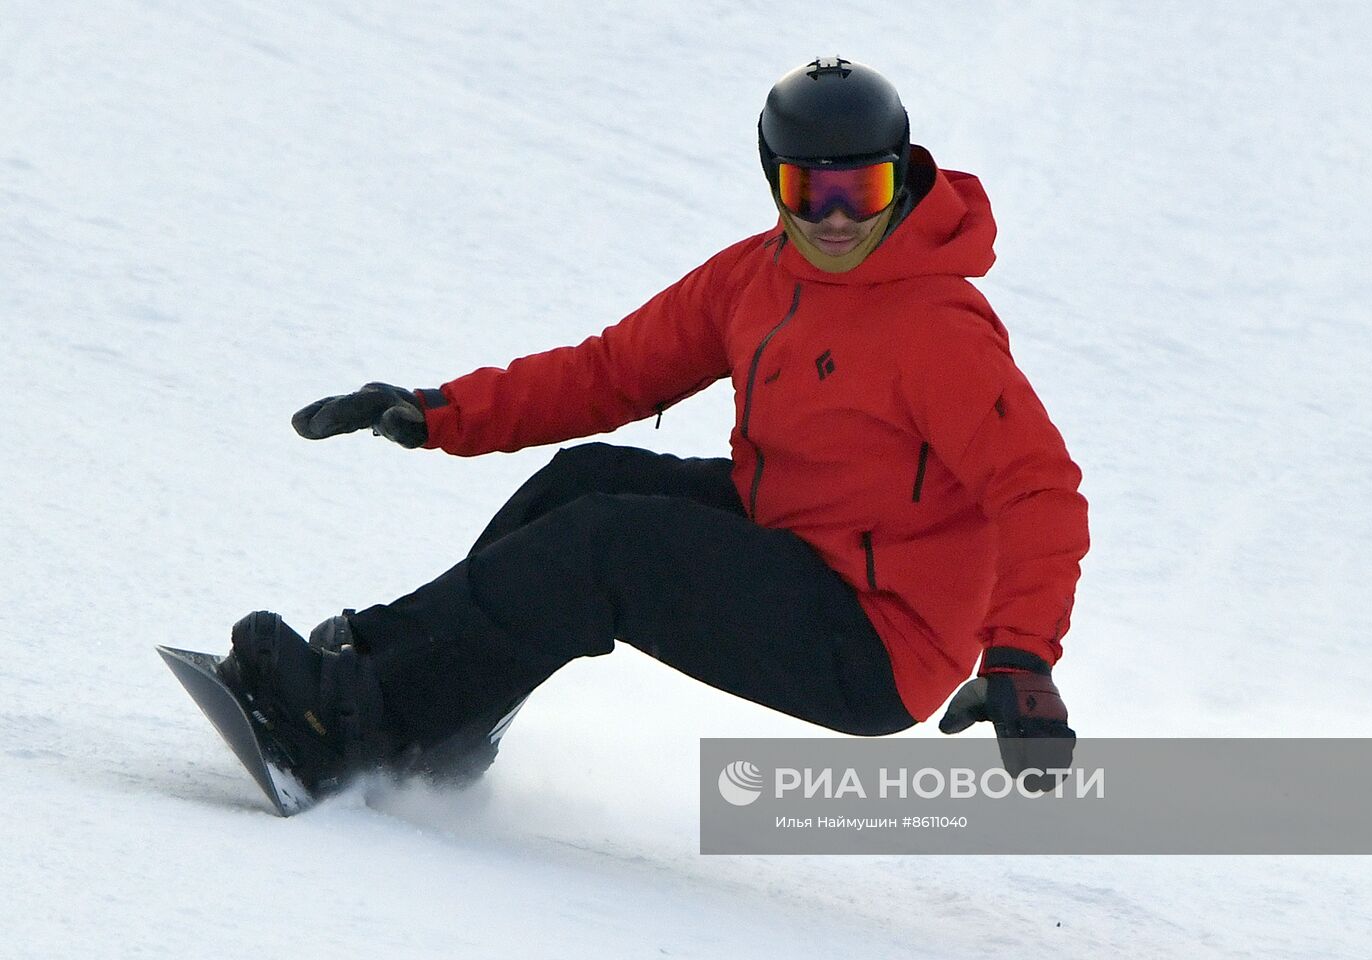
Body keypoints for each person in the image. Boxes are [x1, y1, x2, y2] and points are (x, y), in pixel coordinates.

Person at [222, 57, 1089, 797]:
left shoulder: (936, 328)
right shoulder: (758, 276)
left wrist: (1020, 659)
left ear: (901, 176)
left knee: (608, 545)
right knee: (585, 481)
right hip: (793, 533)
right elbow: (613, 372)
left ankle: (356, 726)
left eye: (860, 189)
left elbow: (1039, 489)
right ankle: (414, 697)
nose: (834, 218)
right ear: (772, 178)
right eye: (807, 188)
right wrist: (442, 411)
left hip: (877, 636)